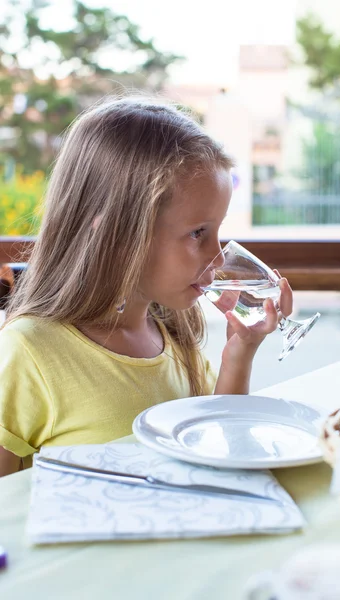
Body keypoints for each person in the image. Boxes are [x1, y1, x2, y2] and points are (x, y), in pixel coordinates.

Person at [0, 96, 292, 476]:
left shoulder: (171, 337)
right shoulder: (29, 351)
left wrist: (240, 353)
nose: (218, 257)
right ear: (116, 234)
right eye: (198, 233)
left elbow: (216, 457)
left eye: (218, 232)